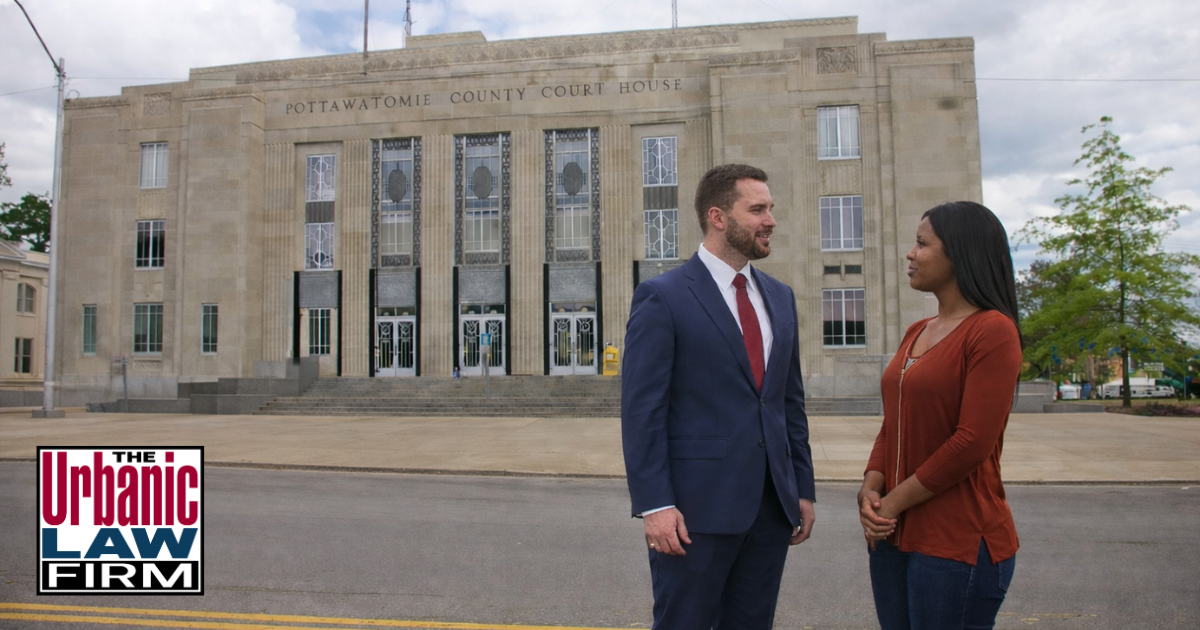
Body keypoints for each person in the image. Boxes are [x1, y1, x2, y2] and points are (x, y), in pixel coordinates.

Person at [622, 164, 816, 630]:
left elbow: (789, 402)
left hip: (771, 510)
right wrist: (655, 505)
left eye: (770, 208)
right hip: (694, 515)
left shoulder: (780, 297)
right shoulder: (663, 297)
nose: (770, 219)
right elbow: (642, 411)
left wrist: (802, 489)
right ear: (718, 217)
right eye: (758, 209)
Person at [858, 201, 1022, 630]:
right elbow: (894, 420)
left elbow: (971, 443)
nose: (910, 254)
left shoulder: (992, 330)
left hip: (957, 540)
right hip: (893, 535)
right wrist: (871, 484)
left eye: (922, 243)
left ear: (960, 254)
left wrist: (891, 502)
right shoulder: (917, 331)